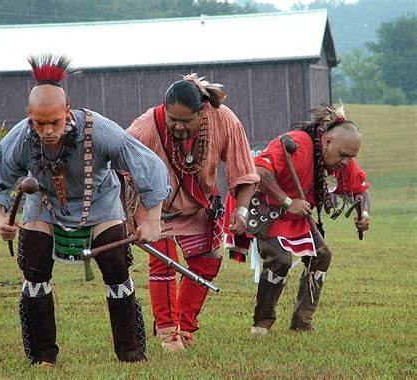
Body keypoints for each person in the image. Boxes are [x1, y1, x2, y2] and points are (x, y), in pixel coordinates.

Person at [0, 54, 171, 365]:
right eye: (41, 123)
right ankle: (43, 357)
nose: (49, 130)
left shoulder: (100, 129)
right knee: (34, 269)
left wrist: (154, 219)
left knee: (116, 267)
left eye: (55, 122)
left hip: (100, 202)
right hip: (45, 204)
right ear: (30, 117)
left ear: (67, 112)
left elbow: (148, 166)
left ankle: (130, 353)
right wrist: (1, 219)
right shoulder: (22, 138)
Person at [126, 74, 259, 351]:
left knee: (208, 263)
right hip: (153, 208)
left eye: (186, 121)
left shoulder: (225, 121)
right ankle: (167, 334)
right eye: (172, 119)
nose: (177, 126)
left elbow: (244, 171)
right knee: (163, 262)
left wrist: (243, 211)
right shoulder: (148, 123)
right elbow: (119, 160)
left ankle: (184, 327)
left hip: (198, 206)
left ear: (203, 112)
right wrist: (128, 220)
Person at [249, 102, 370, 335]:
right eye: (343, 155)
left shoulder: (342, 160)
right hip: (266, 208)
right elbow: (259, 172)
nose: (345, 162)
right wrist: (287, 202)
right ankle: (261, 324)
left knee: (322, 257)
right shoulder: (298, 144)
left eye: (350, 157)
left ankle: (301, 323)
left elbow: (361, 190)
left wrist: (363, 213)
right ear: (328, 140)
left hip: (298, 214)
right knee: (280, 259)